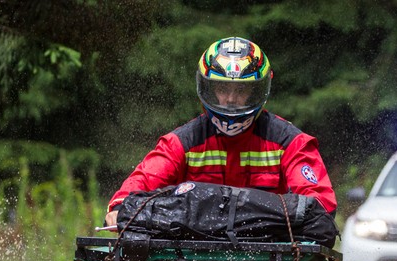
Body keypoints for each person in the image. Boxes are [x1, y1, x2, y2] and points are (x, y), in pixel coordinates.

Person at [104, 36, 336, 226]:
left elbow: (321, 205)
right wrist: (119, 207)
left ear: (257, 91)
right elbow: (141, 182)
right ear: (208, 88)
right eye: (223, 88)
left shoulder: (291, 142)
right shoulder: (182, 143)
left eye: (241, 90)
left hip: (271, 258)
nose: (231, 99)